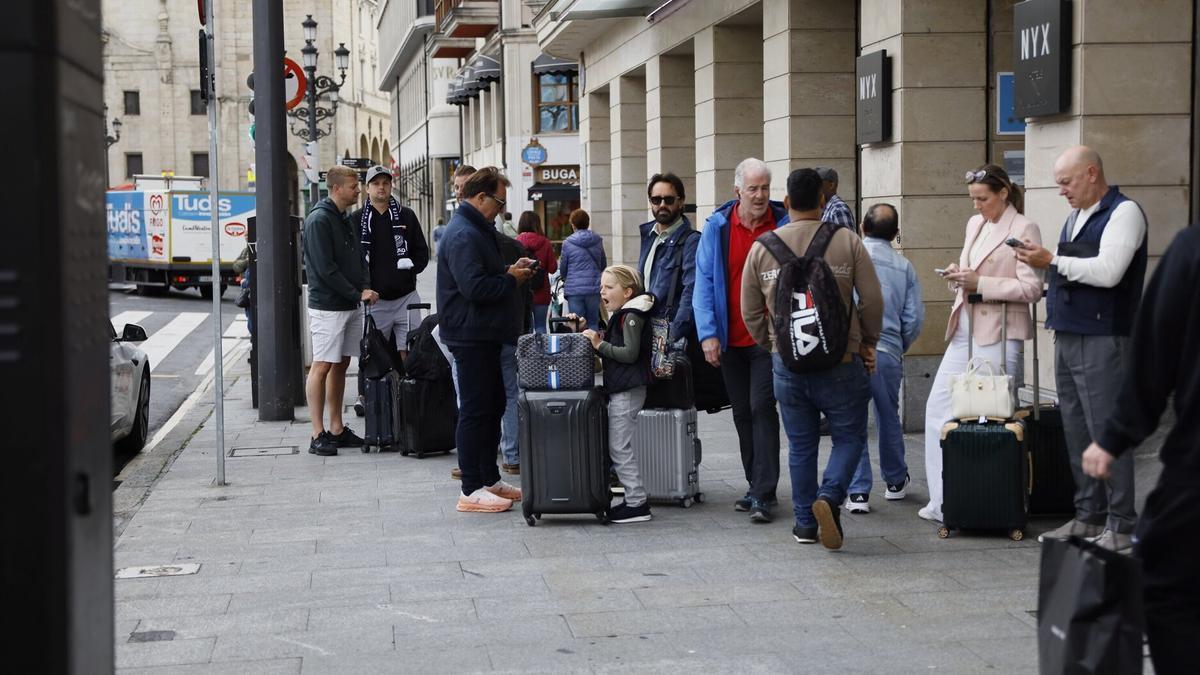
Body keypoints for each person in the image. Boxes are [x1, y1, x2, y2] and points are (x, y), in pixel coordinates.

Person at [741, 167, 883, 550]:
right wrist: (867, 342)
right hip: (842, 362)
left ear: (786, 202)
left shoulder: (763, 247)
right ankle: (831, 495)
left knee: (801, 445)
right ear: (823, 201)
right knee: (850, 435)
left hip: (787, 365)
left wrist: (773, 345)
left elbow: (750, 311)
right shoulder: (847, 241)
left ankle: (805, 523)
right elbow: (871, 299)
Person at [1016, 146, 1148, 552]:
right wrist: (1038, 264)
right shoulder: (1077, 217)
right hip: (1070, 332)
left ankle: (1122, 523)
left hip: (1103, 336)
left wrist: (1051, 260)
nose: (1062, 191)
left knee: (1105, 432)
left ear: (1091, 173)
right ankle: (1088, 517)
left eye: (1067, 182)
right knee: (1076, 430)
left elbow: (1109, 273)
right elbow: (1069, 272)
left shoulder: (1124, 213)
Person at [1081, 224, 1200, 672]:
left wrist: (1115, 436)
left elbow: (1155, 352)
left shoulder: (1192, 248)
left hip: (1196, 464)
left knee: (1166, 582)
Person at [921, 164, 1042, 523]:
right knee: (936, 408)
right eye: (972, 199)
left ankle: (983, 496)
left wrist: (981, 283)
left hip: (1000, 332)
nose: (976, 206)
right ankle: (942, 499)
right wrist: (959, 276)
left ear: (1003, 193)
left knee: (988, 416)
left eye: (982, 199)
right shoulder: (975, 224)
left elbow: (1032, 288)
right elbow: (971, 270)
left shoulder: (1023, 227)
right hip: (965, 327)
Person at [692, 158, 787, 523]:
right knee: (743, 412)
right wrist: (708, 335)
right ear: (738, 192)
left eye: (765, 188)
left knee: (763, 406)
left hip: (769, 339)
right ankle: (755, 485)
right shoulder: (718, 228)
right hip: (730, 339)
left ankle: (764, 491)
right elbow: (705, 285)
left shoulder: (782, 225)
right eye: (753, 189)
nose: (760, 195)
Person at [437, 166, 535, 512]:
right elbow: (474, 288)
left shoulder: (477, 229)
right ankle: (470, 488)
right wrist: (512, 281)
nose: (502, 209)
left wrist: (509, 270)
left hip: (484, 332)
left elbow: (482, 276)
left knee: (492, 406)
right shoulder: (464, 233)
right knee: (476, 410)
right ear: (480, 198)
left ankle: (488, 478)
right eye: (499, 201)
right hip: (471, 333)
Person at [844, 204, 924, 513]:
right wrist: (896, 344)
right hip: (887, 351)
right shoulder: (904, 267)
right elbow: (914, 318)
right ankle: (894, 481)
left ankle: (858, 491)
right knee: (888, 416)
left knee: (853, 420)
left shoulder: (848, 258)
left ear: (862, 227)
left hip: (850, 351)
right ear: (896, 234)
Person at [301, 165, 377, 456]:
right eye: (353, 186)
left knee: (342, 363)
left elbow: (358, 258)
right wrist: (358, 292)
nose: (358, 190)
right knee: (322, 365)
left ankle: (336, 428)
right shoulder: (319, 220)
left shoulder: (343, 218)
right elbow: (324, 269)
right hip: (329, 307)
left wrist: (365, 285)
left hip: (349, 304)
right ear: (335, 188)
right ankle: (317, 433)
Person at [350, 166, 430, 415]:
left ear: (391, 186)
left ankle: (411, 394)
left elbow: (421, 252)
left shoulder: (406, 215)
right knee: (371, 350)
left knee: (411, 349)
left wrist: (408, 271)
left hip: (406, 296)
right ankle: (367, 397)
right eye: (376, 183)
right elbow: (351, 258)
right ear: (367, 188)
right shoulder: (356, 220)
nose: (381, 187)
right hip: (375, 301)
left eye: (385, 182)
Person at [581, 265, 656, 524]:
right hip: (624, 388)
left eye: (609, 287)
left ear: (627, 291)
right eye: (601, 286)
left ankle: (637, 503)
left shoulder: (631, 315)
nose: (602, 291)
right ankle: (635, 500)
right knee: (619, 446)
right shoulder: (624, 313)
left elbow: (629, 353)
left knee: (619, 447)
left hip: (628, 389)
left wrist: (599, 344)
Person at [638, 173, 700, 343]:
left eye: (669, 200)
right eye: (656, 200)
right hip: (647, 332)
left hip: (671, 336)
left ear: (681, 202)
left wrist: (674, 333)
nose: (662, 205)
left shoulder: (691, 241)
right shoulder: (649, 236)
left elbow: (692, 291)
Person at [558, 208, 607, 329]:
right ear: (588, 223)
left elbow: (563, 268)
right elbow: (603, 264)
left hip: (574, 290)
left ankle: (579, 348)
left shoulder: (567, 243)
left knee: (577, 324)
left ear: (573, 225)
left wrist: (566, 278)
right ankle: (593, 347)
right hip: (593, 288)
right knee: (593, 323)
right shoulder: (597, 240)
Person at [516, 211, 558, 335]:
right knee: (541, 326)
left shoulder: (516, 242)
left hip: (522, 290)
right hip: (542, 290)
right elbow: (553, 268)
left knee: (525, 327)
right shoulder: (545, 242)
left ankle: (526, 353)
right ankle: (541, 353)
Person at [815, 166, 855, 231]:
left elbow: (847, 240)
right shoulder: (826, 207)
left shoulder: (838, 209)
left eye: (818, 183)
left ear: (831, 185)